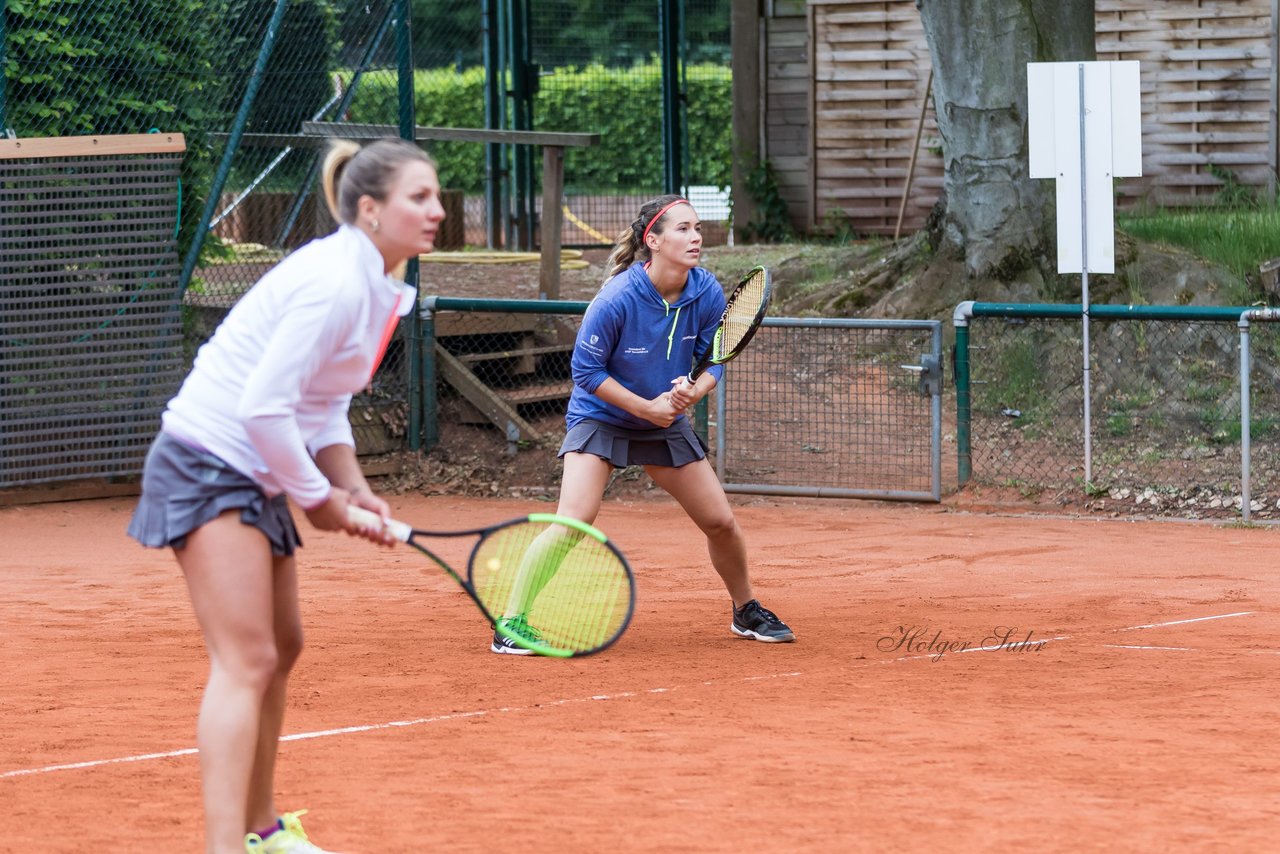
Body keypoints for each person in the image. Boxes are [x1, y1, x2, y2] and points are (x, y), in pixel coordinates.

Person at [128, 138, 445, 853]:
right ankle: (224, 846)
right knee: (247, 659)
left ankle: (262, 831)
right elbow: (264, 409)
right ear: (370, 210)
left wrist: (353, 485)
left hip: (251, 468)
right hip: (207, 462)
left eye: (436, 196)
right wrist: (319, 501)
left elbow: (322, 403)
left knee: (283, 646)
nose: (438, 211)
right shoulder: (335, 281)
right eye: (418, 197)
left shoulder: (376, 285)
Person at [490, 194, 795, 655]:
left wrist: (697, 390)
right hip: (602, 418)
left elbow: (716, 358)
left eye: (697, 228)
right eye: (682, 229)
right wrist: (645, 408)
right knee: (575, 520)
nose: (695, 237)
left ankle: (745, 609)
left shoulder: (706, 291)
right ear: (652, 240)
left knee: (721, 522)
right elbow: (586, 373)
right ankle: (511, 623)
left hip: (662, 421)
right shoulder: (617, 298)